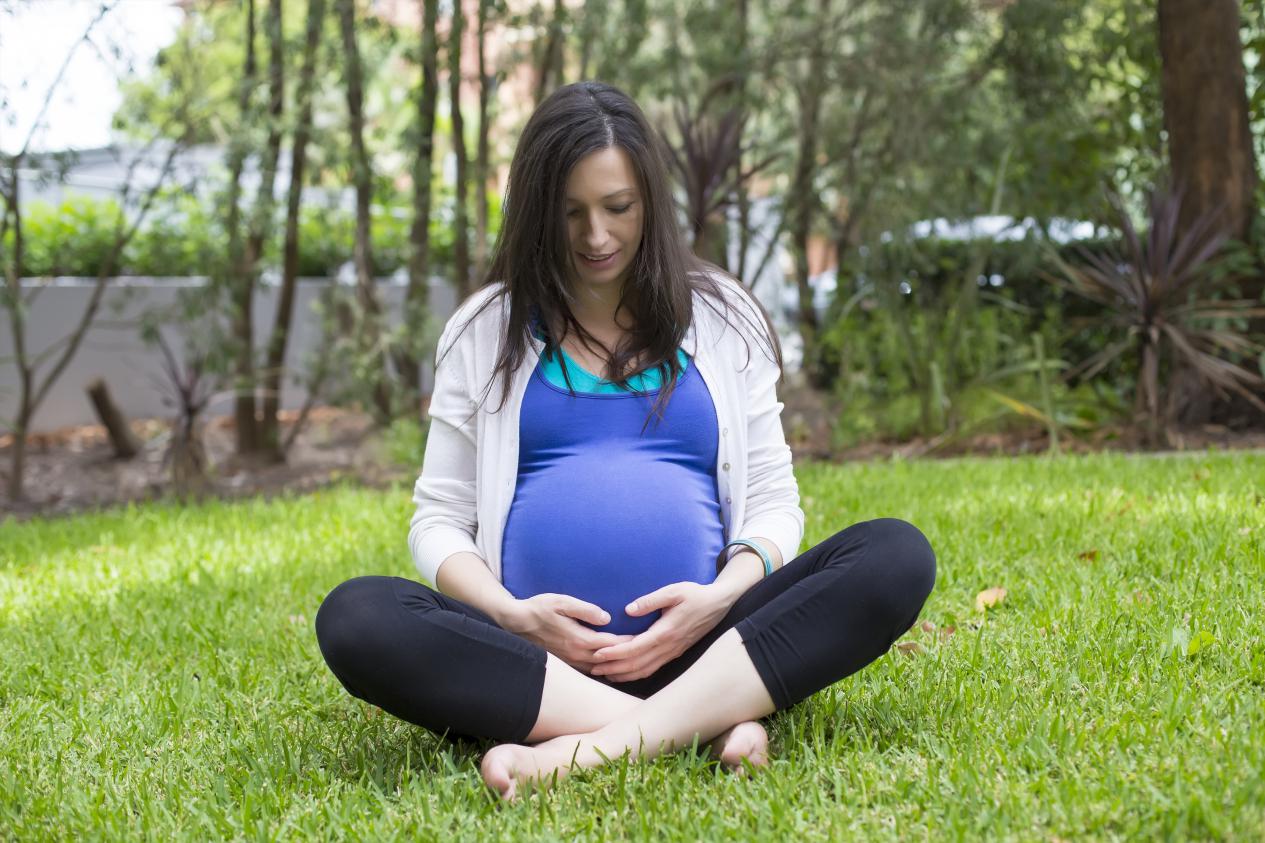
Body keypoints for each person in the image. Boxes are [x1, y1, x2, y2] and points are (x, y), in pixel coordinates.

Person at [315, 80, 936, 803]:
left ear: (650, 201)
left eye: (618, 208)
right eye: (570, 212)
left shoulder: (724, 316)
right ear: (534, 210)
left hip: (711, 644)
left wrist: (717, 597)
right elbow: (439, 520)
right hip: (536, 662)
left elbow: (772, 501)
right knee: (356, 616)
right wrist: (514, 616)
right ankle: (699, 728)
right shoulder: (484, 329)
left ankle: (594, 749)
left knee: (895, 554)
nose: (596, 237)